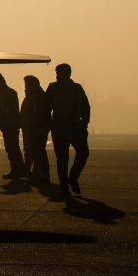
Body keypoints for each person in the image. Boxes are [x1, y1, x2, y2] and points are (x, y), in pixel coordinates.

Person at [46, 63, 90, 196]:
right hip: (60, 127)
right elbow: (46, 108)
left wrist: (84, 123)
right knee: (62, 158)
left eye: (60, 74)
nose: (58, 77)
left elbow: (85, 107)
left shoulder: (77, 89)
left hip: (75, 126)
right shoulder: (52, 88)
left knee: (83, 153)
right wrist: (51, 124)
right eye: (57, 74)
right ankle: (65, 185)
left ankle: (72, 178)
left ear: (68, 74)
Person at [0, 73, 26, 179]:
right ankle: (18, 169)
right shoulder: (4, 94)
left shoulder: (9, 93)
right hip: (7, 125)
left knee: (12, 148)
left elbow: (11, 110)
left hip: (10, 125)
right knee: (11, 148)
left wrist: (1, 118)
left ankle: (17, 170)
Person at [20, 75, 50, 184]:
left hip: (37, 129)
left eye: (28, 84)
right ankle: (36, 174)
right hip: (30, 128)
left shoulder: (39, 97)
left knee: (39, 152)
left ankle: (41, 175)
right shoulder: (31, 96)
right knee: (34, 151)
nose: (26, 86)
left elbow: (38, 114)